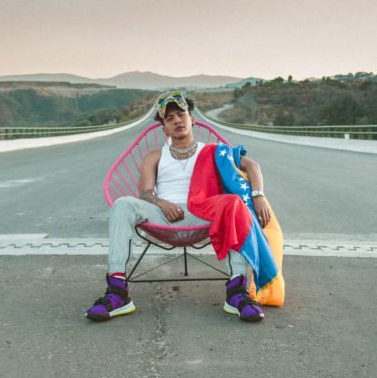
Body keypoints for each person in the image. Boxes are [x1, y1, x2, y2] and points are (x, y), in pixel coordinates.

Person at [86, 91, 280, 323]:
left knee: (234, 204)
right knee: (122, 204)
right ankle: (118, 292)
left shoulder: (213, 151)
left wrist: (258, 196)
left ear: (192, 120)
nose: (177, 120)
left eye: (181, 115)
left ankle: (237, 292)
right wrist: (161, 203)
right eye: (170, 119)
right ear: (165, 129)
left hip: (202, 212)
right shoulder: (155, 156)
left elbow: (252, 166)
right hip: (162, 215)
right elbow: (145, 193)